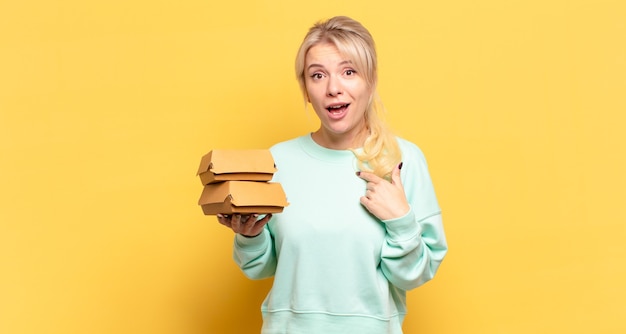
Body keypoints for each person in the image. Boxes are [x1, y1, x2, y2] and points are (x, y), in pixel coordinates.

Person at [216, 15, 448, 334]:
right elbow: (261, 268)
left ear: (370, 80)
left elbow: (414, 274)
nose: (333, 88)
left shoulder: (402, 160)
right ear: (306, 89)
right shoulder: (277, 160)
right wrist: (250, 236)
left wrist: (401, 221)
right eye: (318, 75)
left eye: (349, 72)